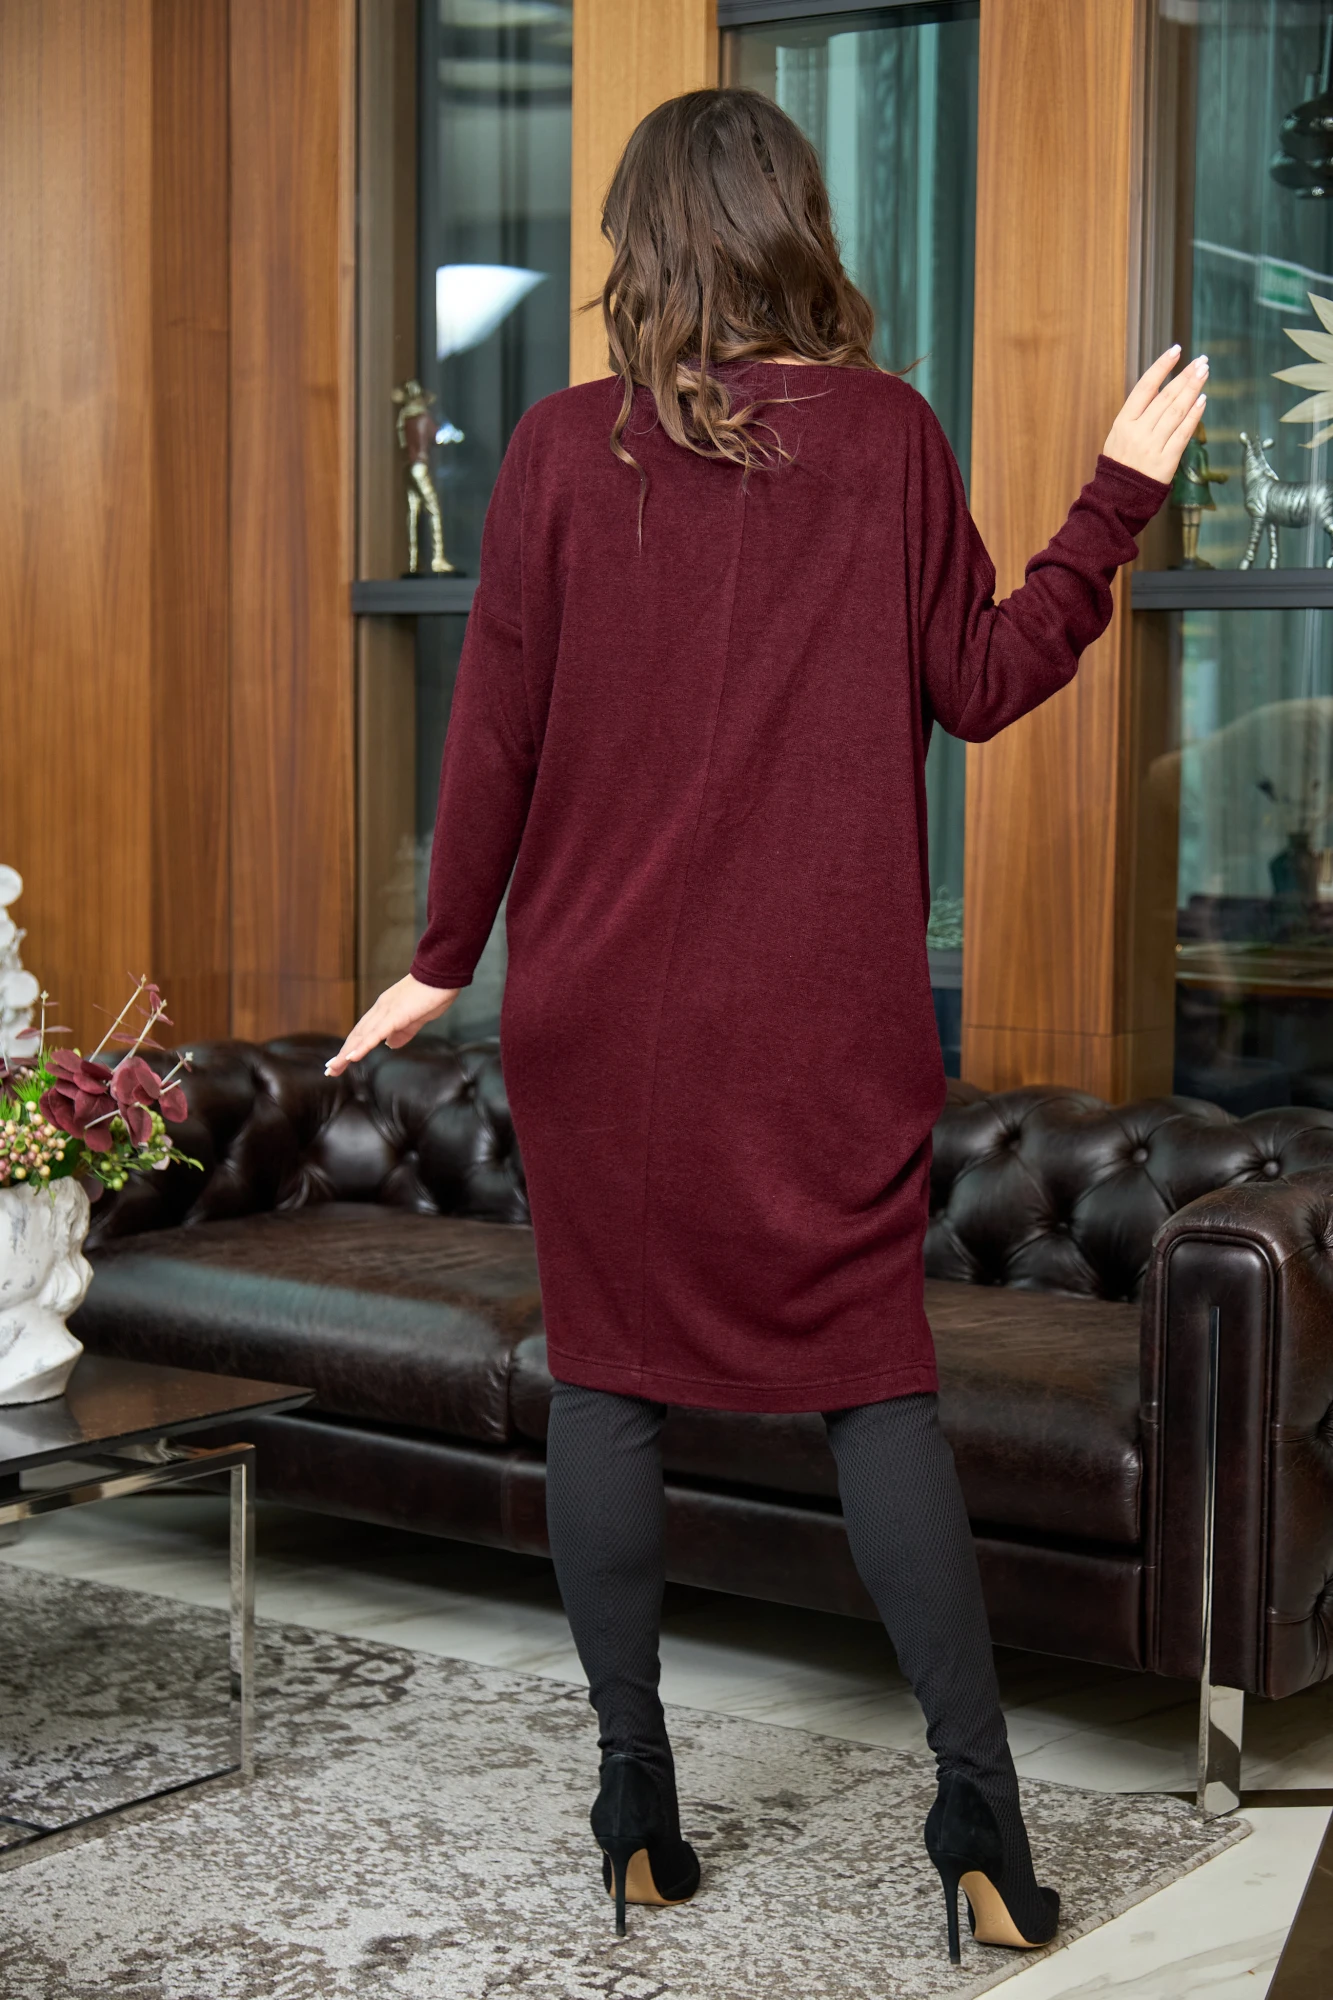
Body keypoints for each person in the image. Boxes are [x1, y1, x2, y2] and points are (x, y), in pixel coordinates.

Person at [328, 87, 1202, 1965]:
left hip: (597, 1023)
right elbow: (987, 678)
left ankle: (634, 1808)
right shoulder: (886, 436)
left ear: (645, 241)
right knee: (876, 1388)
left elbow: (492, 735)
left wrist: (442, 955)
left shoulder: (561, 450)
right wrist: (1112, 500)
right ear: (797, 223)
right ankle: (983, 1832)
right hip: (823, 1030)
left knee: (608, 1383)